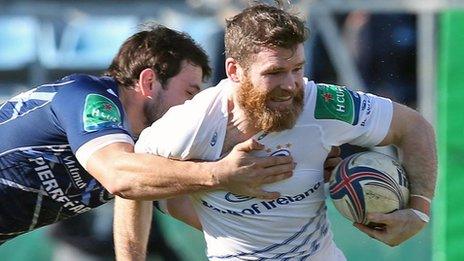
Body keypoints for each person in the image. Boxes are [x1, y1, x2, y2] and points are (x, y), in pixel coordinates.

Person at [114, 3, 437, 261]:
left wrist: (419, 211)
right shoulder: (191, 124)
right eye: (274, 73)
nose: (291, 85)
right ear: (234, 71)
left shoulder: (321, 103)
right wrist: (213, 180)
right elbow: (131, 184)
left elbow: (414, 127)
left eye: (297, 69)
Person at [0, 23, 299, 245]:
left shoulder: (144, 148)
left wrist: (279, 233)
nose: (193, 107)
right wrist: (218, 173)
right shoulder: (88, 98)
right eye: (190, 92)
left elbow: (178, 202)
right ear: (149, 82)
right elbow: (120, 176)